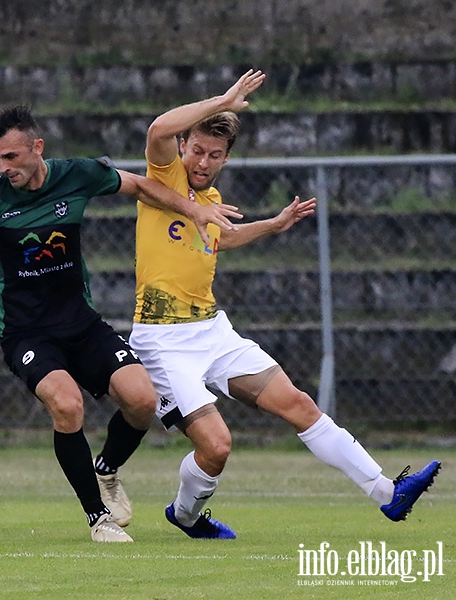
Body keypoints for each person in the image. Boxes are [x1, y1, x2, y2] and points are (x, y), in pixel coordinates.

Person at [128, 68, 440, 539]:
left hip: (212, 331)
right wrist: (225, 100)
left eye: (215, 155)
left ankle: (386, 493)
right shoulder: (165, 176)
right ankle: (186, 515)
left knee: (298, 403)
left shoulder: (211, 198)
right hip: (163, 340)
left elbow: (220, 239)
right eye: (196, 150)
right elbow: (156, 129)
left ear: (225, 160)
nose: (203, 161)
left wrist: (272, 226)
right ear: (183, 147)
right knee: (217, 447)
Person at [0, 105, 241, 542]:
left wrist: (192, 211)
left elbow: (140, 185)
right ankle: (98, 518)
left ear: (36, 148)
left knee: (142, 399)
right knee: (67, 405)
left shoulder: (76, 175)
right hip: (27, 334)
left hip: (81, 324)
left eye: (12, 157)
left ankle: (106, 470)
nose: (5, 168)